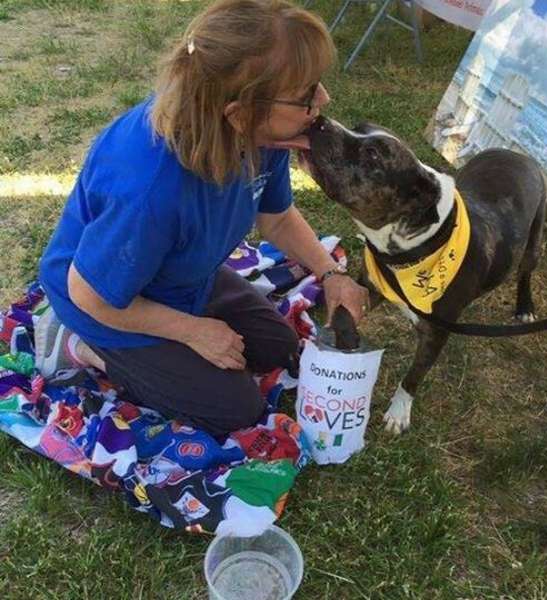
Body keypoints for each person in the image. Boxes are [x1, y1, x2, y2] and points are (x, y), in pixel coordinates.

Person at [34, 0, 368, 437]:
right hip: (107, 302)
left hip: (181, 278)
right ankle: (80, 346)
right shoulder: (150, 187)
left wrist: (329, 273)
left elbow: (279, 219)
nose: (323, 101)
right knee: (235, 409)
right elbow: (89, 293)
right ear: (239, 112)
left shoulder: (260, 133)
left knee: (280, 350)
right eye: (306, 94)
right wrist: (191, 331)